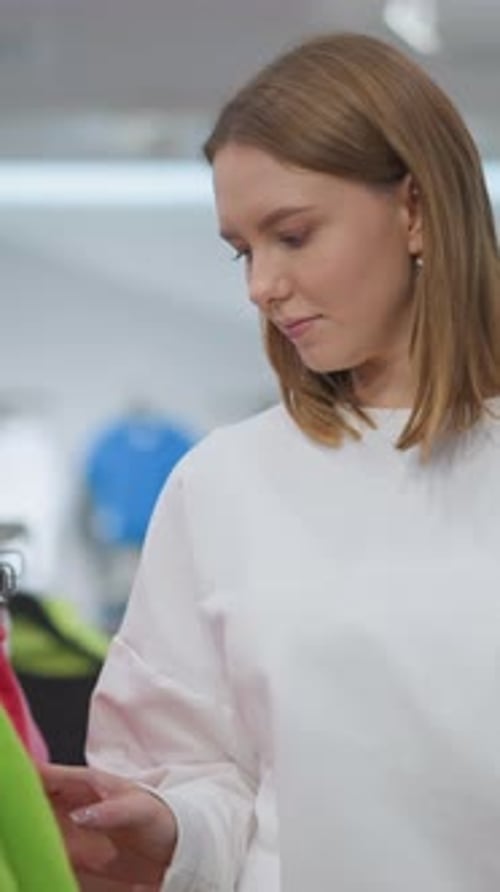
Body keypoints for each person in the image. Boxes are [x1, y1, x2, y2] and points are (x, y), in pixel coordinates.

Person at [41, 31, 500, 891]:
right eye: (243, 251)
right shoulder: (222, 485)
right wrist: (169, 826)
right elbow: (207, 779)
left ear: (416, 210)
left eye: (292, 236)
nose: (259, 285)